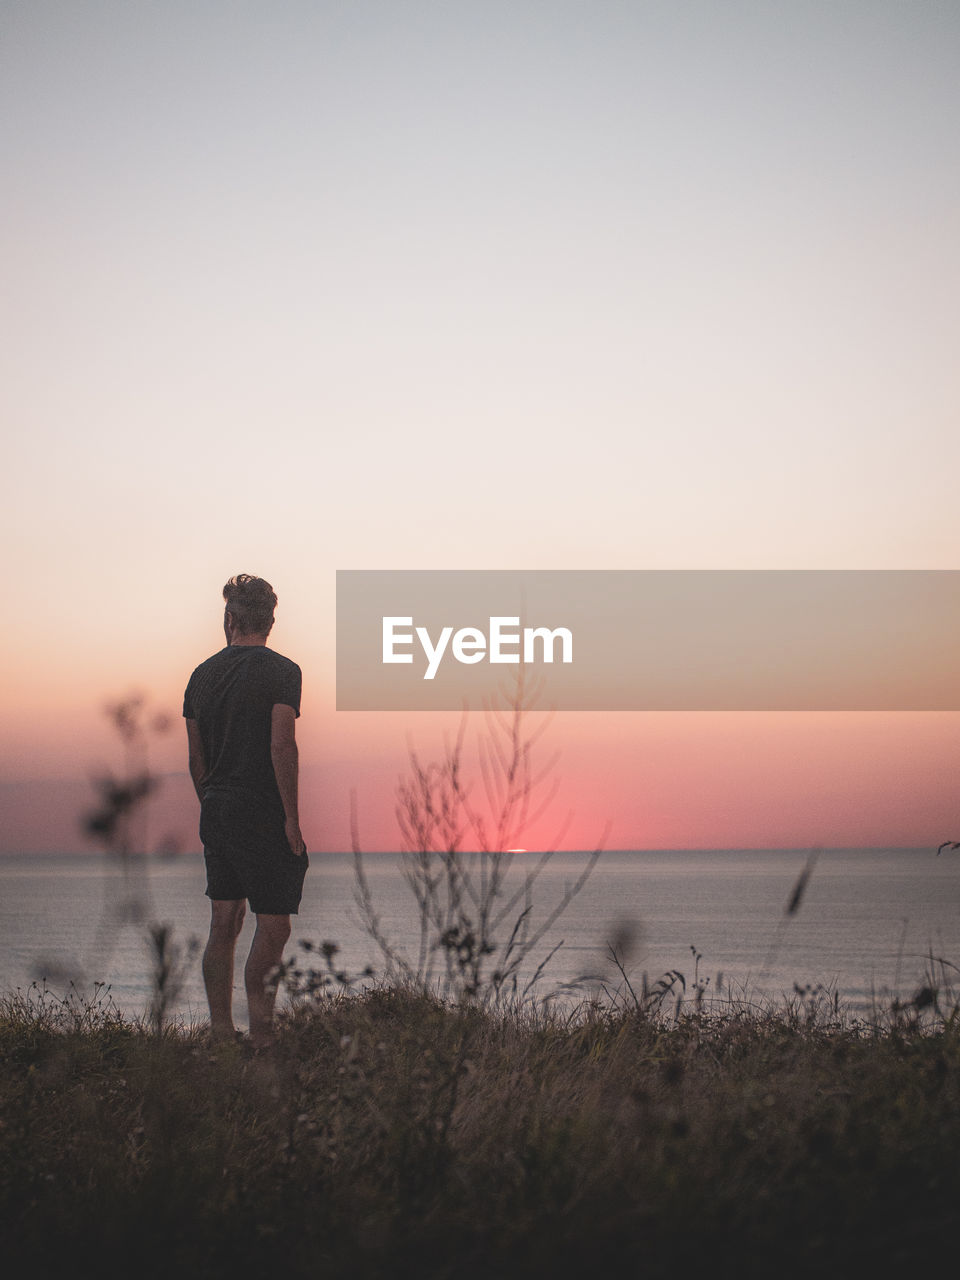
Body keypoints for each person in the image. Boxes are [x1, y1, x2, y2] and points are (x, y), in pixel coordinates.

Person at [183, 574, 307, 1048]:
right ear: (269, 621)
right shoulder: (283, 671)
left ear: (230, 619)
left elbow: (196, 760)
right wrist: (291, 817)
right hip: (262, 808)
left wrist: (212, 805)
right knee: (274, 923)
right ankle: (262, 1035)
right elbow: (282, 744)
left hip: (215, 806)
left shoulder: (201, 675)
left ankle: (220, 1033)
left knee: (224, 922)